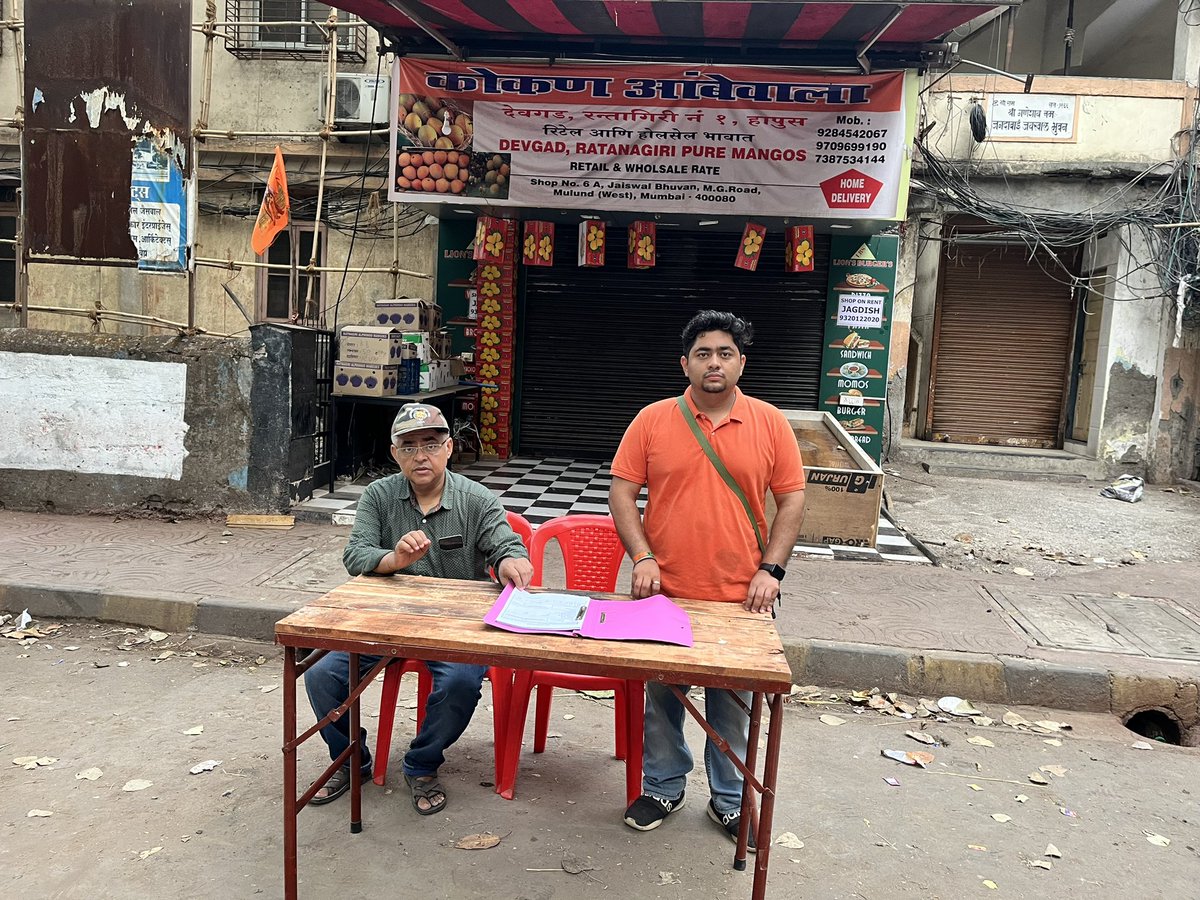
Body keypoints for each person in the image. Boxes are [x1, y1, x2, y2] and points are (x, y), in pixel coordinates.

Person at [608, 309, 807, 851]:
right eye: (702, 353)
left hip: (741, 595)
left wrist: (771, 569)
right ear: (685, 364)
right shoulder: (652, 419)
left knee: (732, 705)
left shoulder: (769, 422)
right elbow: (621, 493)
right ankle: (663, 786)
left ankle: (729, 798)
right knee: (663, 700)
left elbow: (792, 499)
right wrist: (642, 557)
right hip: (665, 590)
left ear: (741, 362)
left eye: (724, 353)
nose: (713, 362)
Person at [304, 403, 533, 815]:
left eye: (430, 444)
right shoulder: (379, 495)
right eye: (408, 447)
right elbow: (355, 555)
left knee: (462, 682)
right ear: (395, 454)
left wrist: (509, 563)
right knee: (320, 676)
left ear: (449, 448)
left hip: (453, 627)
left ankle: (423, 763)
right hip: (387, 619)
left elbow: (506, 545)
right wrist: (394, 560)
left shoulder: (477, 500)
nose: (420, 456)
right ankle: (351, 758)